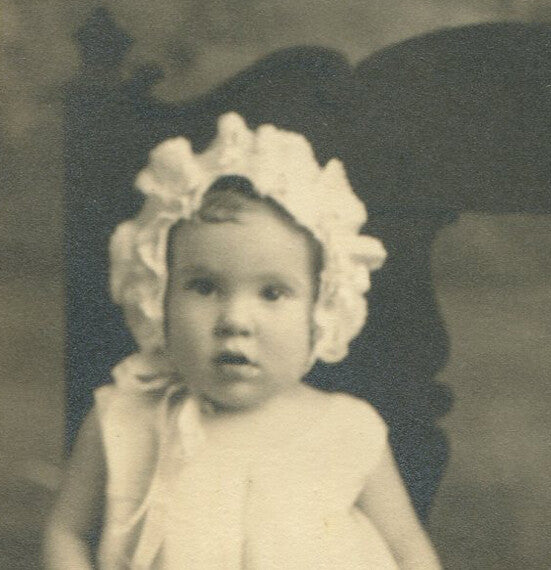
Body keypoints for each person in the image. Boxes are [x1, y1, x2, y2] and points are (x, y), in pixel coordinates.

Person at [44, 113, 442, 569]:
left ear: (323, 307)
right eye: (204, 287)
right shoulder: (123, 417)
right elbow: (67, 531)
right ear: (157, 295)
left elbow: (412, 552)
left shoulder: (348, 429)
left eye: (272, 293)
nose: (234, 321)